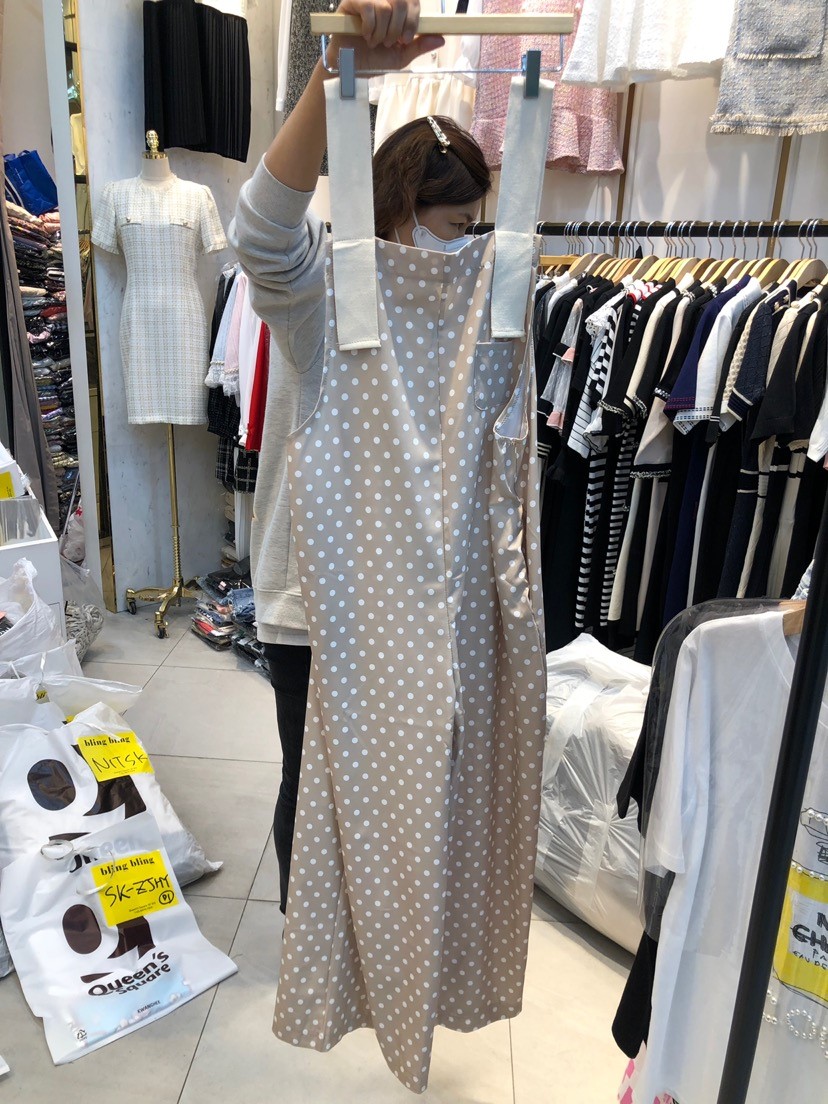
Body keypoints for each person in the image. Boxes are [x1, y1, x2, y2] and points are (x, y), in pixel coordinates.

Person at [230, 0, 493, 915]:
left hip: (417, 600)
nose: (464, 244)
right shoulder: (328, 291)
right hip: (316, 604)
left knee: (397, 785)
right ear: (401, 212)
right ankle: (313, 943)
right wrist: (334, 69)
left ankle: (379, 940)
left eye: (475, 227)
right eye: (455, 223)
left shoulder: (466, 308)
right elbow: (259, 232)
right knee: (314, 781)